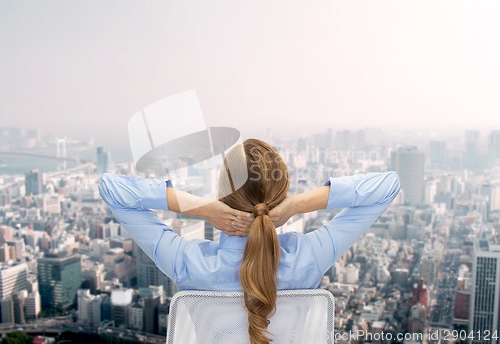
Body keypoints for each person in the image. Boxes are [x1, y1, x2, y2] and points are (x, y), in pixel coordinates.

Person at [98, 138, 400, 344]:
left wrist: (202, 208)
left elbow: (113, 190)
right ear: (279, 197)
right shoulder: (308, 257)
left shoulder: (190, 265)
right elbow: (387, 187)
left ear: (221, 195)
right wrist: (296, 205)